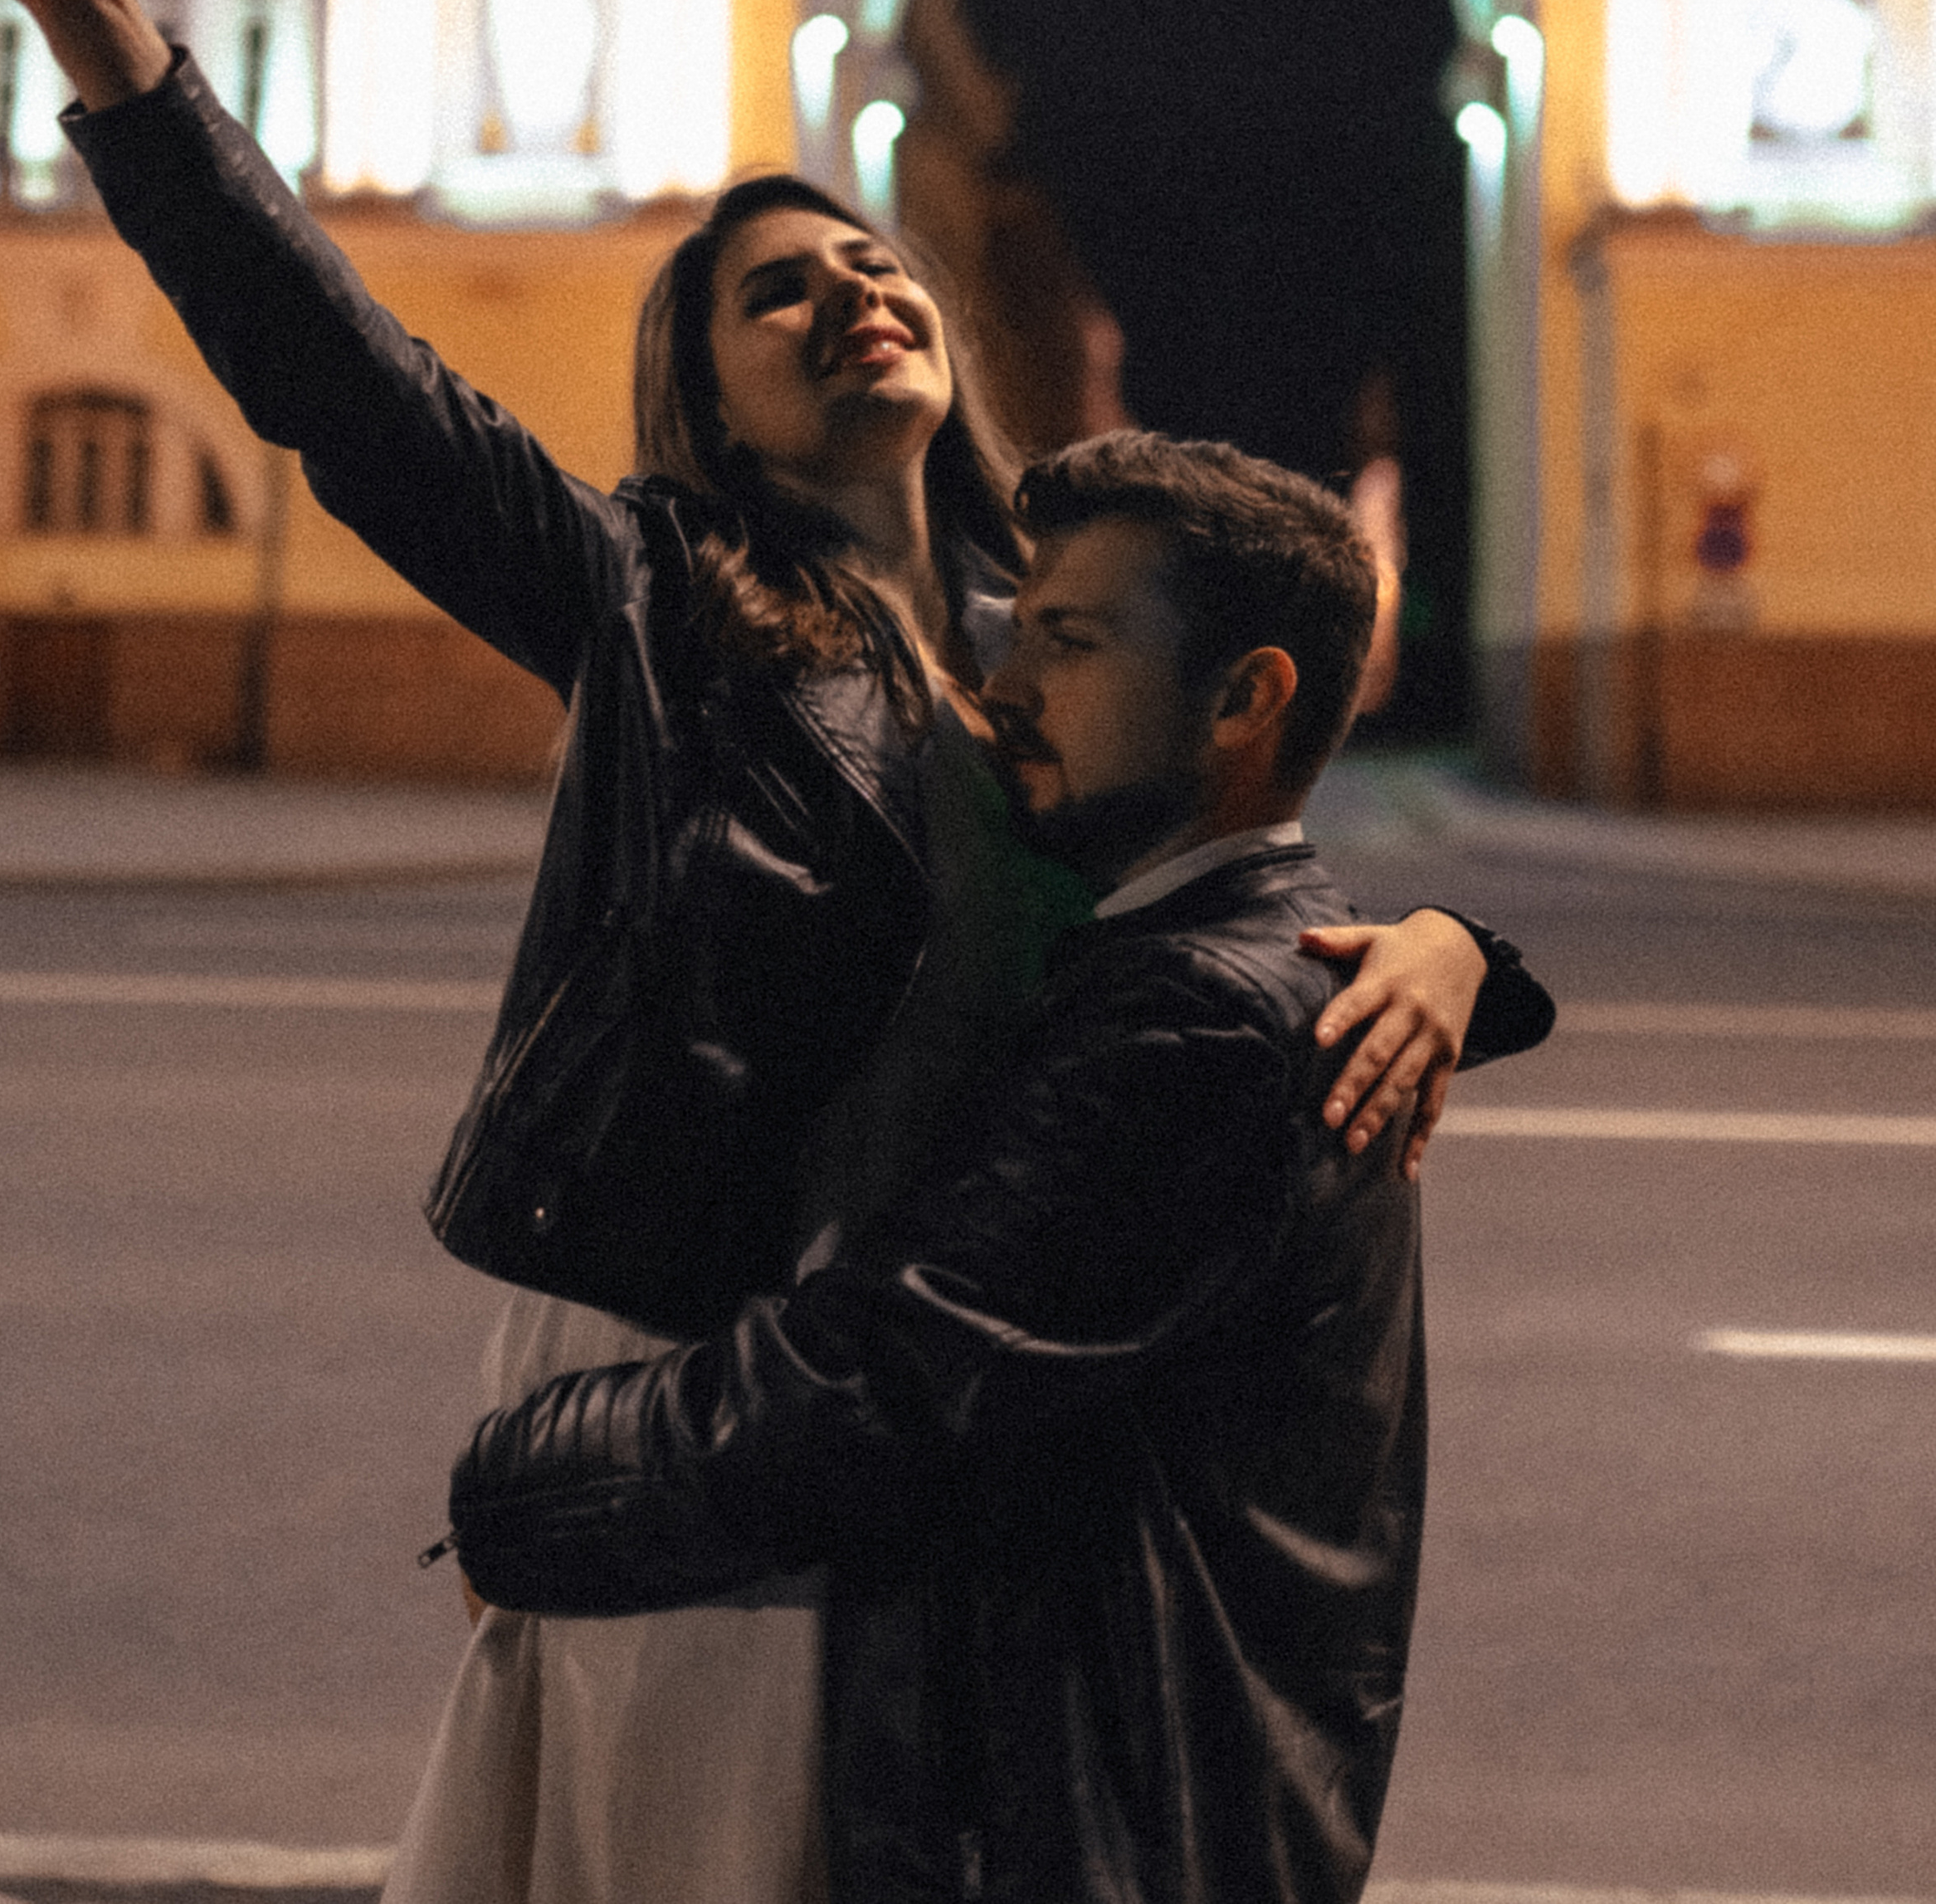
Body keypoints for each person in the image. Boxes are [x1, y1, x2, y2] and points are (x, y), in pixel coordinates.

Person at [0, 0, 1554, 1904]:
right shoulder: (660, 612)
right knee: (693, 1843)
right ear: (706, 405)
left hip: (940, 1357)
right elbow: (348, 391)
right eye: (770, 295)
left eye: (867, 263)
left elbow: (1235, 896)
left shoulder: (1041, 642)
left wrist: (1453, 949)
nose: (848, 292)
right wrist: (111, 43)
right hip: (712, 1341)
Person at [447, 432, 1556, 1904]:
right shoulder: (1226, 961)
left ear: (1246, 699)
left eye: (1071, 642)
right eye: (1017, 631)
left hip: (1102, 1841)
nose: (1008, 686)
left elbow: (884, 1378)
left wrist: (519, 1495)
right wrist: (1464, 948)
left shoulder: (1199, 1020)